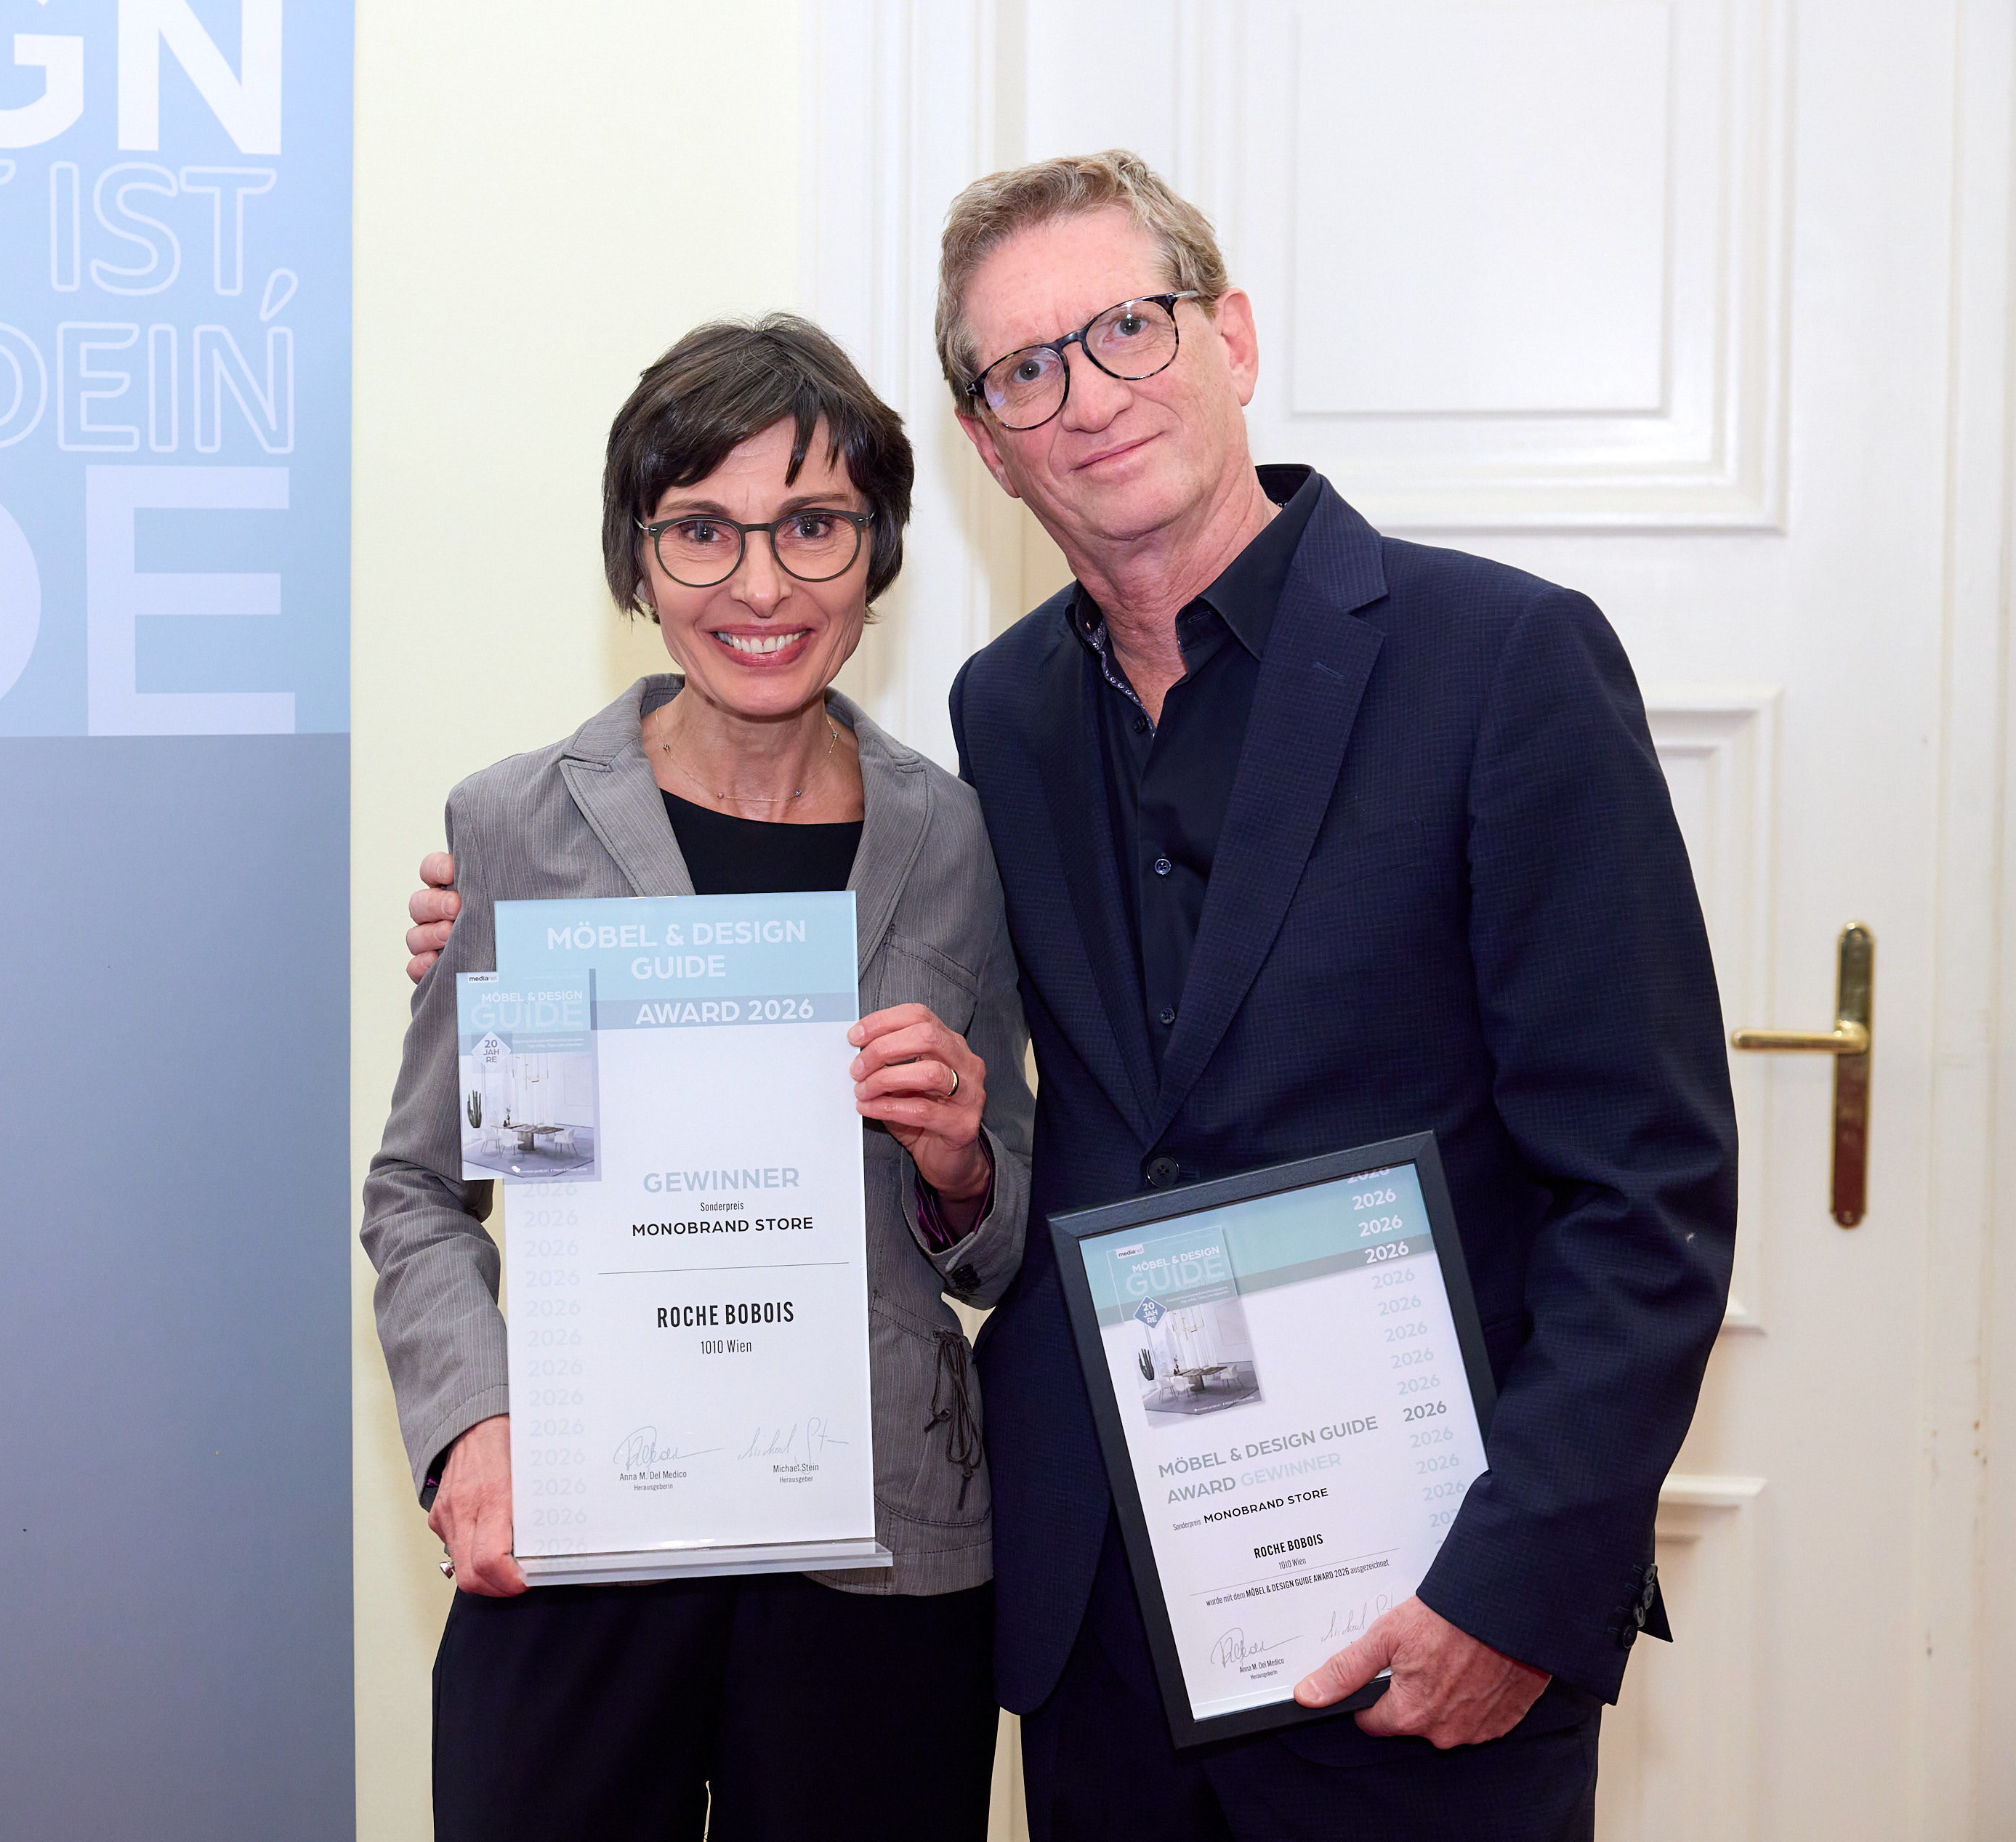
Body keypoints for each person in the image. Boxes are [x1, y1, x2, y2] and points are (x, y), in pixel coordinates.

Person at [407, 155, 1735, 1841]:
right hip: (1097, 1627)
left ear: (1229, 337)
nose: (1088, 395)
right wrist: (507, 928)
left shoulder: (1501, 662)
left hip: (1416, 1601)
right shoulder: (1005, 718)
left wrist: (1521, 1587)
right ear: (987, 441)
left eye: (1126, 328)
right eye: (1025, 368)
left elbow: (1645, 1184)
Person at [363, 313, 1034, 1841]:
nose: (760, 585)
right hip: (583, 1527)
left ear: (875, 554)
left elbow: (997, 1243)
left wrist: (961, 1162)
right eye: (702, 530)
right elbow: (417, 1189)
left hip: (878, 1550)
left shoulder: (953, 839)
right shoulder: (517, 825)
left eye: (812, 526)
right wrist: (473, 1426)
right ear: (639, 559)